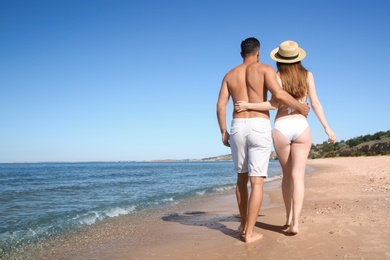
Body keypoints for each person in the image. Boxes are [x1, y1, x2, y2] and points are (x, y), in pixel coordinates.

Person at [235, 40, 336, 235]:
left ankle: (288, 217)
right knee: (298, 177)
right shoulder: (308, 75)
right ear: (298, 56)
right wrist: (327, 128)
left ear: (279, 59)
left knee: (286, 175)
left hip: (281, 127)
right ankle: (295, 223)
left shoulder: (277, 76)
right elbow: (315, 103)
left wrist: (248, 106)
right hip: (301, 126)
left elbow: (272, 104)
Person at [216, 37, 309, 243]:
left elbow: (221, 106)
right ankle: (249, 233)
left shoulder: (229, 75)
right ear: (258, 53)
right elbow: (279, 95)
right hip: (259, 125)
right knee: (257, 182)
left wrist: (223, 131)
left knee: (241, 178)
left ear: (241, 54)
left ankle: (243, 225)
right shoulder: (265, 69)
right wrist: (301, 107)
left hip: (237, 126)